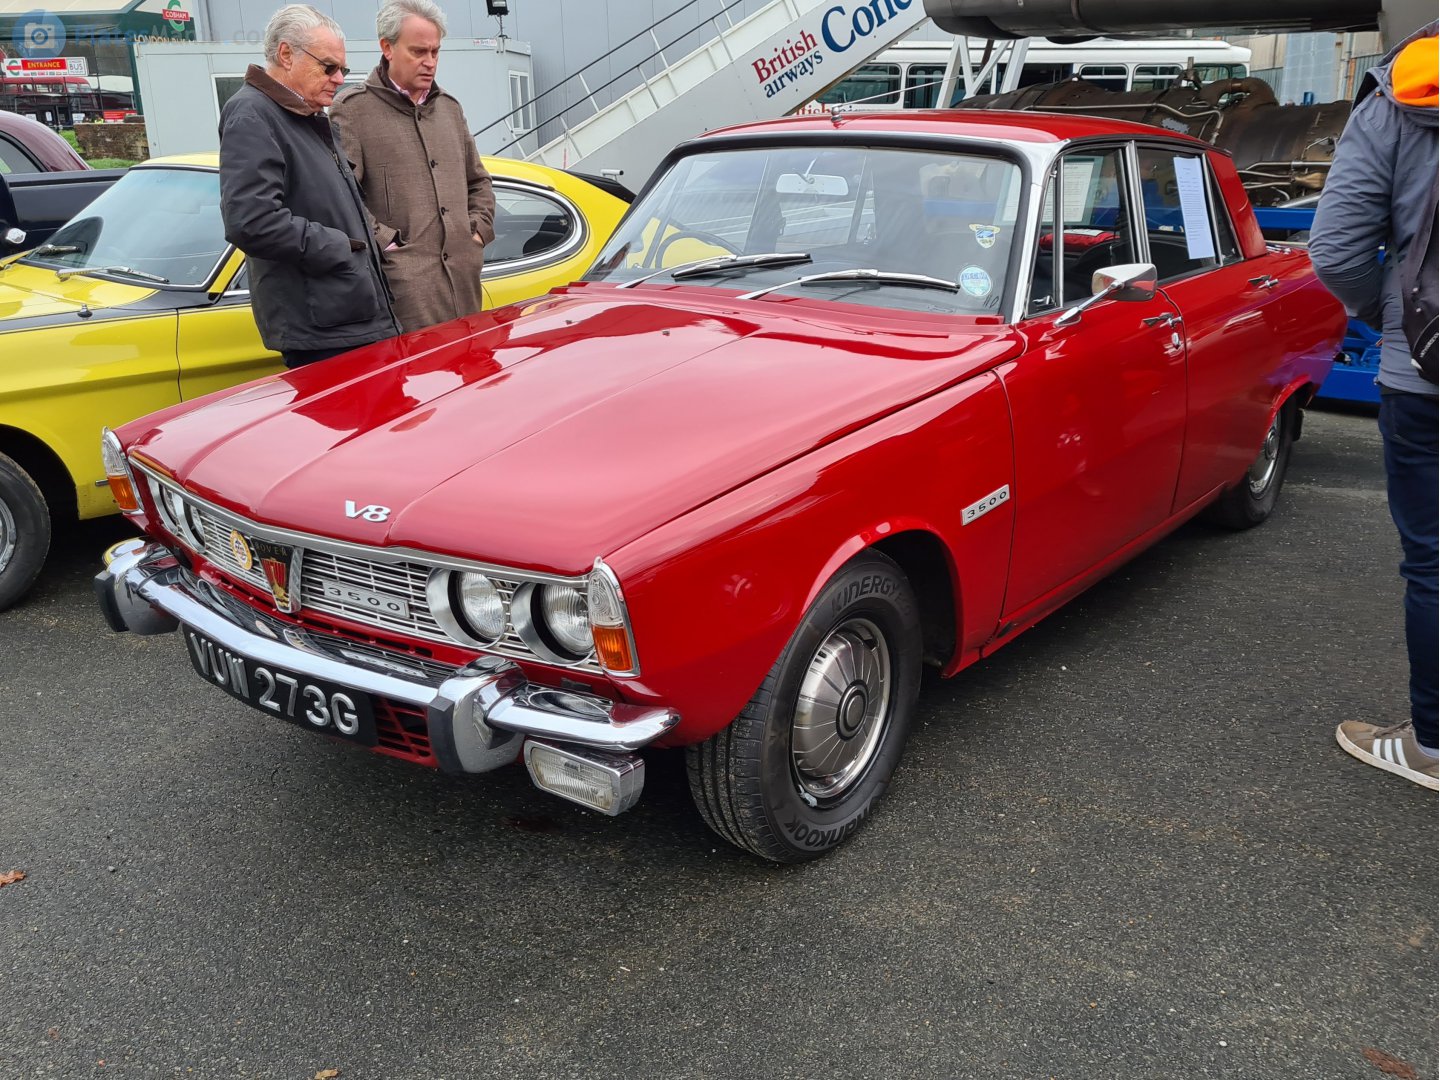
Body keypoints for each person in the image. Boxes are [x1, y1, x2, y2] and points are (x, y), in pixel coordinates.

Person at [1310, 20, 1438, 790]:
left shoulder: (1407, 90)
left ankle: (1429, 745)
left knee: (1433, 559)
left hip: (1426, 369)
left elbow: (1336, 250)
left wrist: (1389, 317)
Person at [218, 4, 400, 369]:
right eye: (328, 66)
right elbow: (250, 221)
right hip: (324, 327)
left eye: (342, 70)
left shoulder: (308, 116)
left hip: (349, 315)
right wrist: (341, 248)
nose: (338, 78)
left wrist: (376, 244)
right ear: (286, 54)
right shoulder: (253, 114)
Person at [330, 0, 496, 332]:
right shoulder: (352, 110)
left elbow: (479, 181)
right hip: (405, 294)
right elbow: (343, 197)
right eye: (419, 52)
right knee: (418, 381)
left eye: (435, 52)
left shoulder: (449, 108)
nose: (430, 62)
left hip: (464, 284)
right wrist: (387, 243)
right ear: (387, 47)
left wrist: (476, 232)